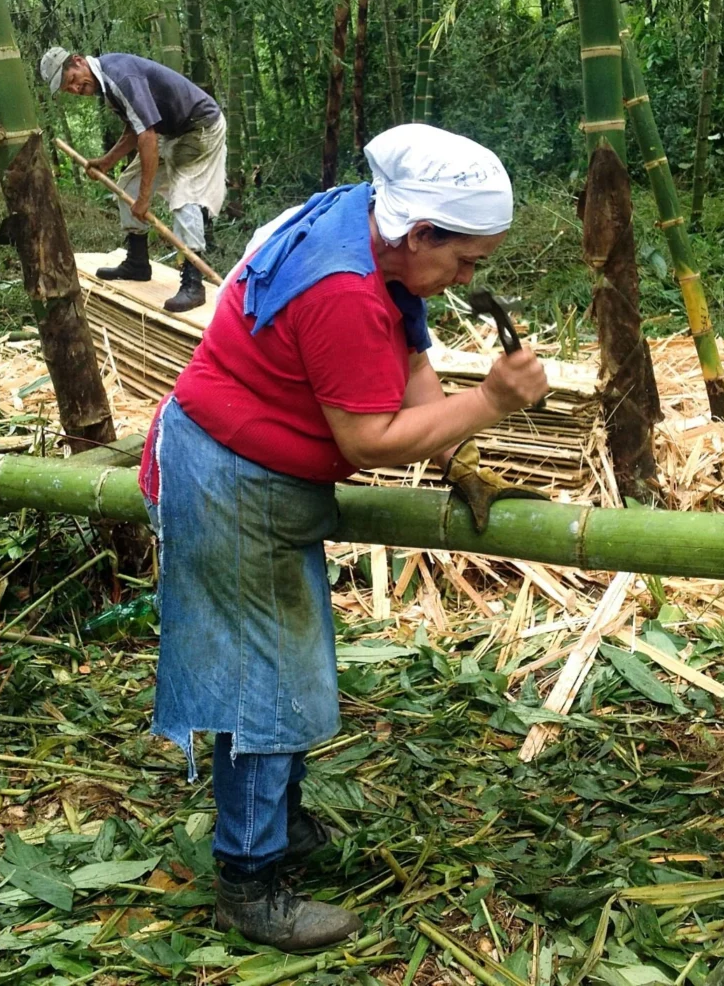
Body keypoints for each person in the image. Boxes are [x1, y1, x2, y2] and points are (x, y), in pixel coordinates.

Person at [135, 124, 550, 951]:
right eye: (467, 259)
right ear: (420, 231)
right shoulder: (342, 290)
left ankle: (275, 829)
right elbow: (367, 441)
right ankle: (248, 881)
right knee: (265, 682)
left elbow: (409, 357)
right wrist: (493, 404)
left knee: (281, 665)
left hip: (243, 469)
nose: (471, 278)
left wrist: (455, 452)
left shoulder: (365, 226)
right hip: (227, 480)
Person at [39, 46, 225, 313]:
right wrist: (107, 162)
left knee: (185, 197)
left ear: (78, 62)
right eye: (69, 90)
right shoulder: (108, 83)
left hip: (200, 126)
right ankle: (138, 262)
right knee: (127, 184)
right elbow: (134, 128)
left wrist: (144, 199)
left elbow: (146, 135)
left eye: (72, 81)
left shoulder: (120, 76)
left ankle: (193, 282)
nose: (76, 89)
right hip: (169, 131)